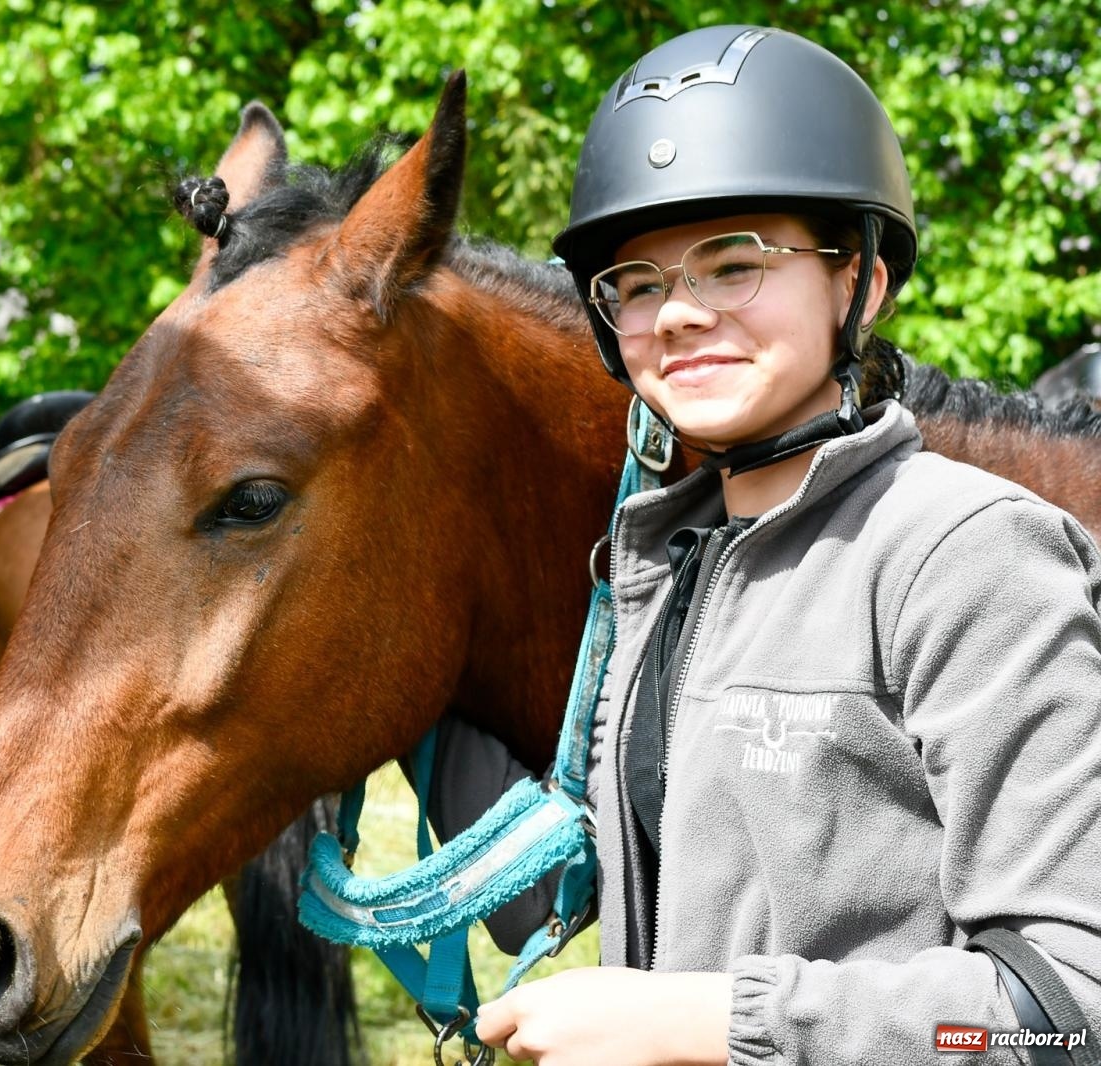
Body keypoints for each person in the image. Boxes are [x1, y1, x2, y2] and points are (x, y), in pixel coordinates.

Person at [441, 25, 1101, 1065]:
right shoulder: (659, 563)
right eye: (639, 284)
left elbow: (1067, 1016)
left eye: (735, 263)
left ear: (861, 282)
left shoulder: (971, 555)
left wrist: (712, 1024)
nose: (678, 315)